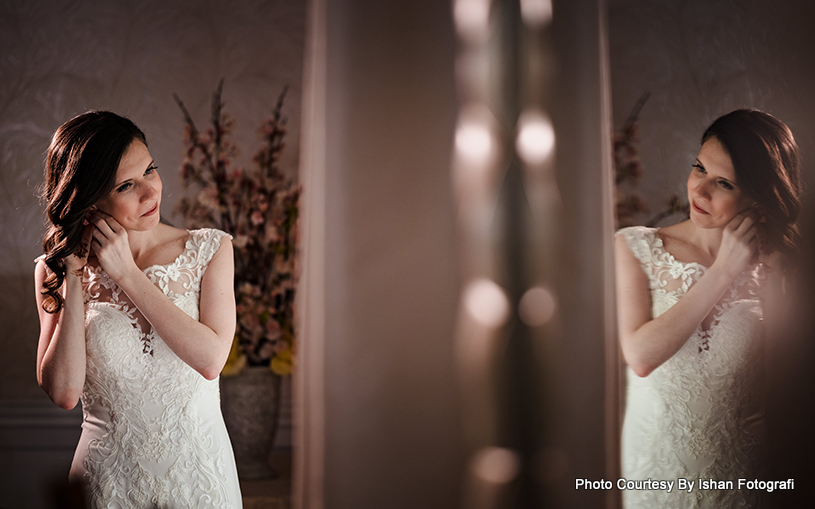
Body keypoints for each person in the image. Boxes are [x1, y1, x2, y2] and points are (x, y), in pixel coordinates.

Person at [34, 111, 242, 507]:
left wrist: (128, 274)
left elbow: (211, 359)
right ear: (89, 198)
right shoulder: (54, 270)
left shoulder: (210, 250)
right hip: (108, 484)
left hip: (200, 479)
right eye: (127, 185)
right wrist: (74, 280)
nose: (151, 193)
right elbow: (63, 392)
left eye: (150, 170)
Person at [615, 109, 801, 508]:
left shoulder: (777, 271)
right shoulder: (634, 247)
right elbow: (640, 357)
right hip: (654, 480)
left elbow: (790, 390)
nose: (699, 192)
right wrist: (722, 273)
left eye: (724, 183)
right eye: (699, 168)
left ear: (758, 197)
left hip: (741, 481)